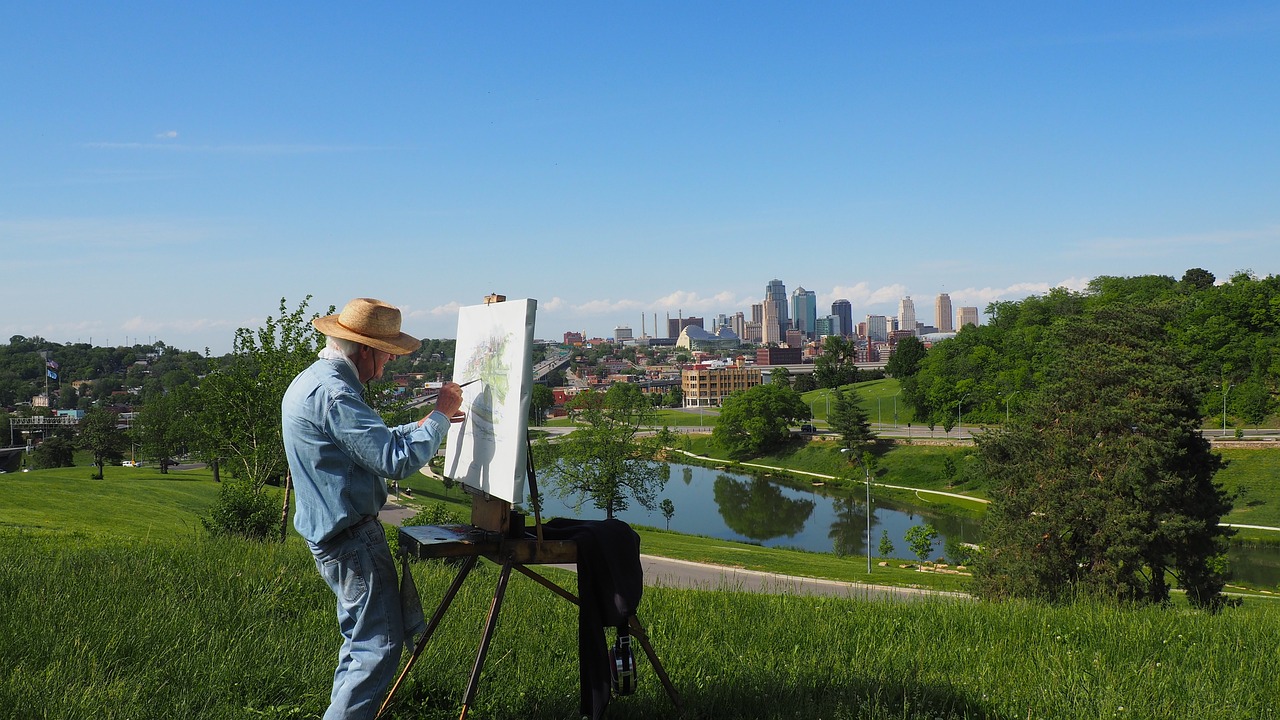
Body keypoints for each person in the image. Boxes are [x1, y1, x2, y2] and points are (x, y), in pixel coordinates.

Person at [282, 297, 465, 720]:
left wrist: (421, 426)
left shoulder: (314, 381)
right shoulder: (336, 395)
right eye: (386, 354)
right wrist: (439, 416)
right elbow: (392, 461)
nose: (387, 365)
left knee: (360, 643)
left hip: (332, 535)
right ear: (365, 349)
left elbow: (364, 442)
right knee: (377, 648)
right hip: (351, 540)